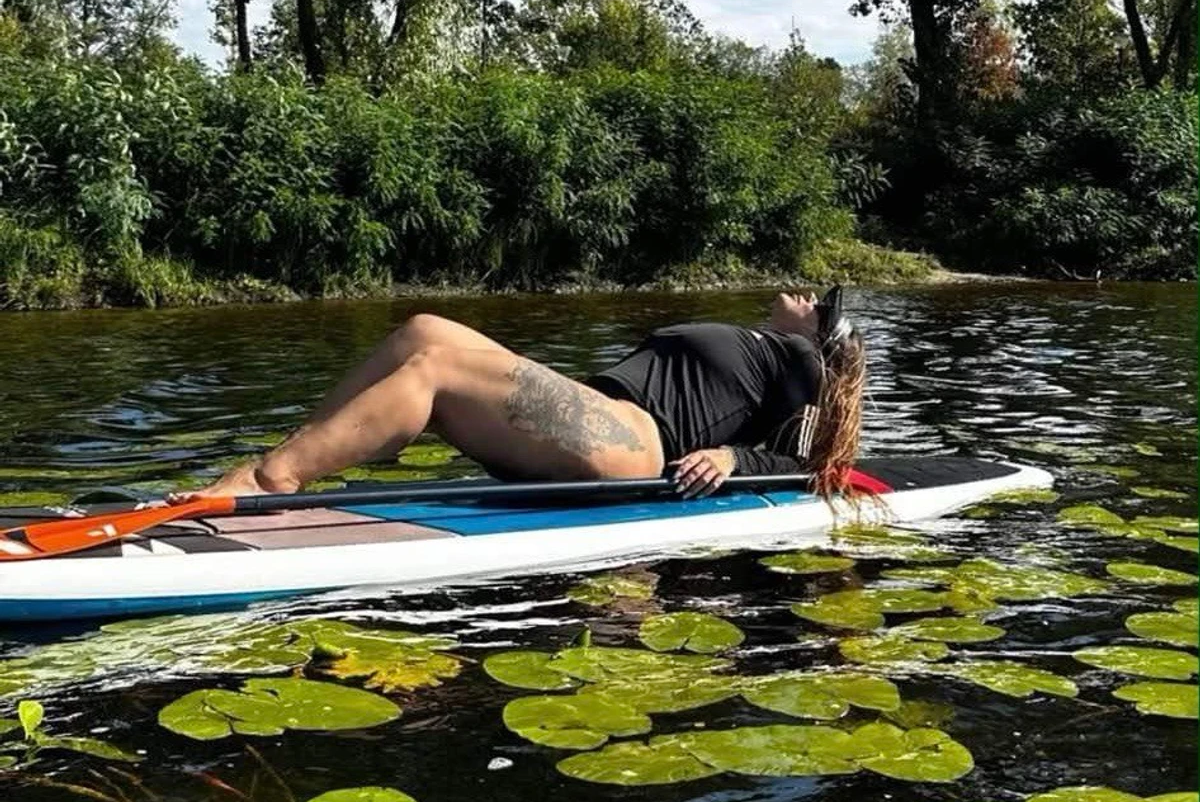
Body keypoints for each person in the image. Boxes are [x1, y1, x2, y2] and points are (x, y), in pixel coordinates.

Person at [174, 287, 865, 504]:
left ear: (823, 335)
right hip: (599, 415)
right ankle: (290, 465)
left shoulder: (801, 359)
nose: (806, 296)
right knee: (422, 329)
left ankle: (266, 481)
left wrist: (735, 461)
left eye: (821, 304)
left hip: (632, 441)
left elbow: (814, 463)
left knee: (437, 368)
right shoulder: (771, 347)